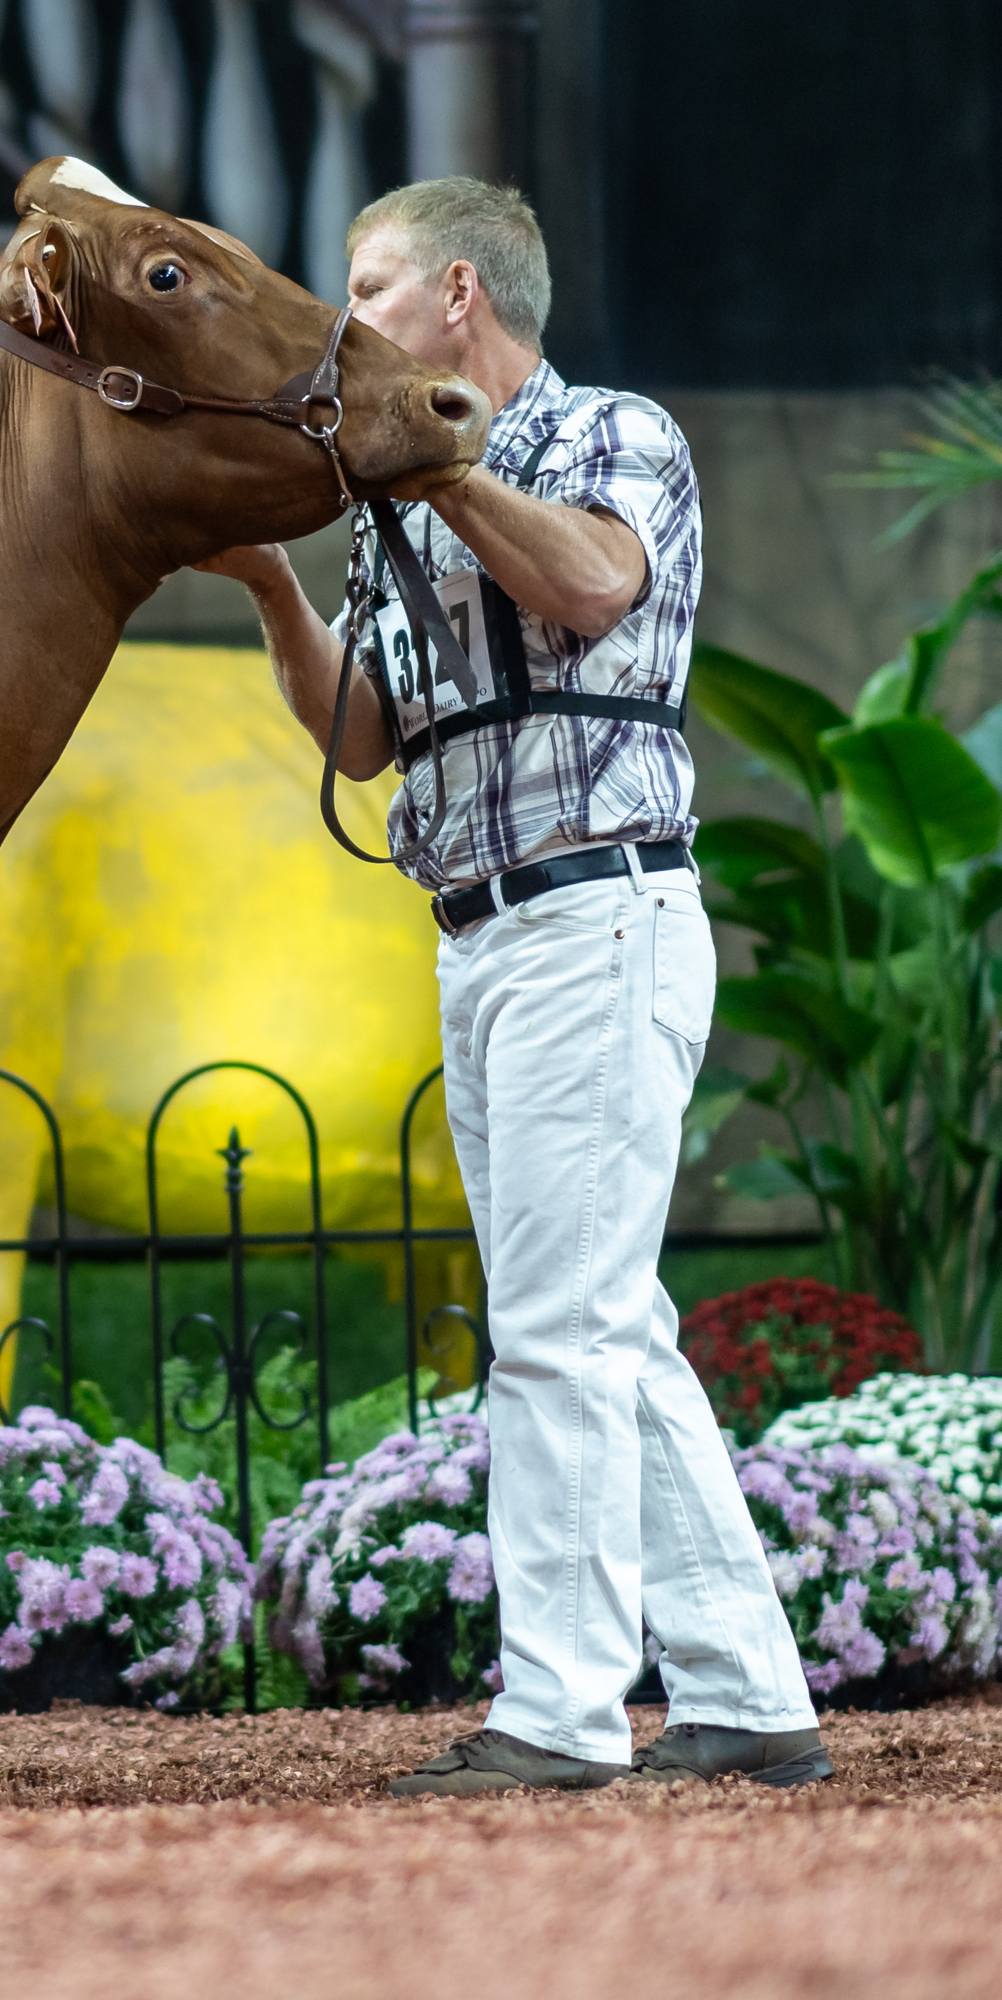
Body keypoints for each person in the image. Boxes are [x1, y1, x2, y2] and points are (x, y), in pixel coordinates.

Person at [195, 178, 828, 1794]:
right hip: (482, 936)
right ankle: (749, 1697)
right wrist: (272, 584)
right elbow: (362, 738)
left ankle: (557, 1714)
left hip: (597, 917)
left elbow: (594, 586)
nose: (349, 317)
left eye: (369, 289)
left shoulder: (613, 432)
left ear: (459, 296)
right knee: (607, 1326)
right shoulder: (398, 508)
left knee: (555, 1335)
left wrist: (439, 469)